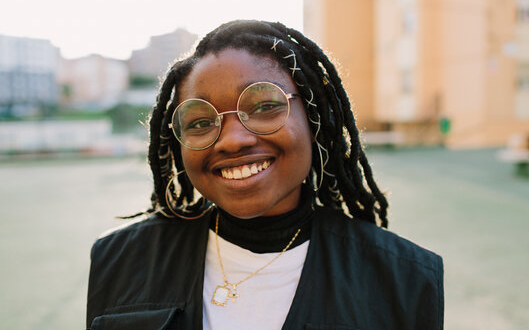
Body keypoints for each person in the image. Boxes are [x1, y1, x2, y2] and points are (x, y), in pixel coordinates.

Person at [86, 20, 444, 330]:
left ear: (314, 118)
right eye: (199, 122)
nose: (231, 140)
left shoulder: (405, 278)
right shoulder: (119, 258)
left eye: (265, 106)